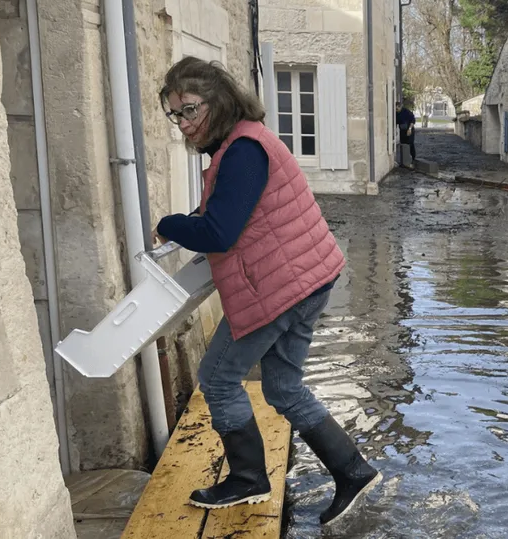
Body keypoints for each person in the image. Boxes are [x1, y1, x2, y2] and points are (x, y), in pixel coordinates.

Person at [152, 57, 381, 526]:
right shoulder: (243, 144)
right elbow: (236, 218)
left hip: (282, 286)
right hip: (306, 279)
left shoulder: (243, 151)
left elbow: (220, 233)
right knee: (281, 386)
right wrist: (195, 224)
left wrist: (168, 224)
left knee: (216, 378)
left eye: (190, 110)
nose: (184, 123)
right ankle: (353, 472)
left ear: (216, 103)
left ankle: (249, 479)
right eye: (176, 114)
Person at [395, 100, 416, 166]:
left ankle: (413, 159)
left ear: (400, 107)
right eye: (395, 108)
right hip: (402, 130)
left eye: (398, 108)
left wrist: (409, 129)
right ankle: (404, 161)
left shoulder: (406, 111)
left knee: (410, 144)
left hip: (409, 129)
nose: (397, 109)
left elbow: (412, 120)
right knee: (403, 144)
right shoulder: (395, 114)